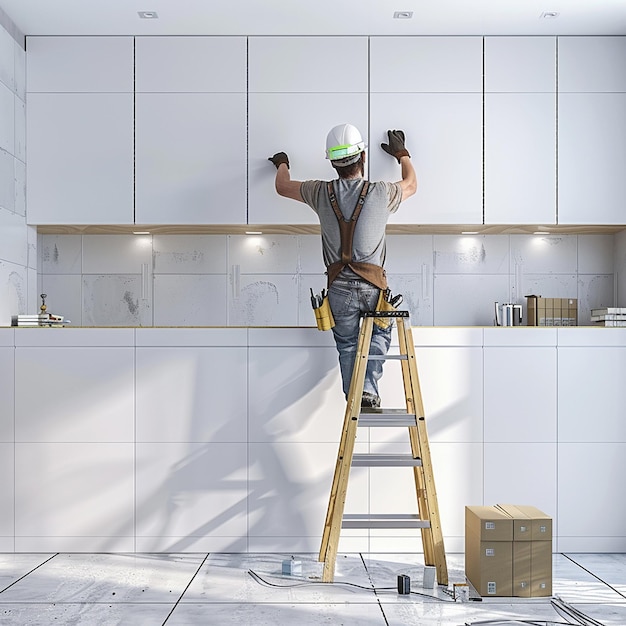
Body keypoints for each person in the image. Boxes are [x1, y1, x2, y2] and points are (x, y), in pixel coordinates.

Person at [268, 124, 416, 408]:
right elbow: (411, 184)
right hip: (374, 286)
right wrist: (402, 154)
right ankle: (368, 392)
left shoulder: (319, 192)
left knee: (348, 345)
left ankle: (358, 396)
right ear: (362, 158)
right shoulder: (381, 192)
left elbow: (282, 186)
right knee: (379, 333)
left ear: (333, 163)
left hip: (338, 289)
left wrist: (282, 162)